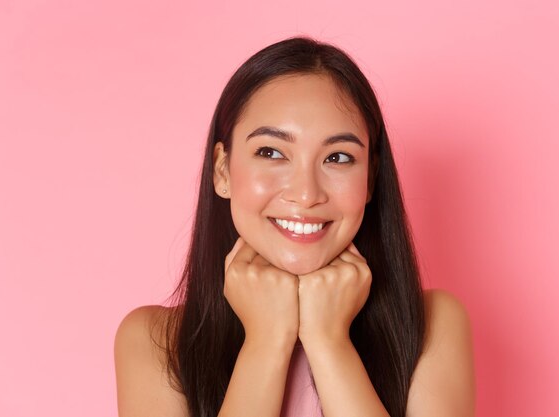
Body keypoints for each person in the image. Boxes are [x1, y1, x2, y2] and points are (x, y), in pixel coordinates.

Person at [114, 36, 475, 417]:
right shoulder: (154, 342)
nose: (306, 194)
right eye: (271, 152)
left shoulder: (431, 325)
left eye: (338, 157)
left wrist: (329, 342)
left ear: (369, 179)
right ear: (222, 170)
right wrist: (266, 341)